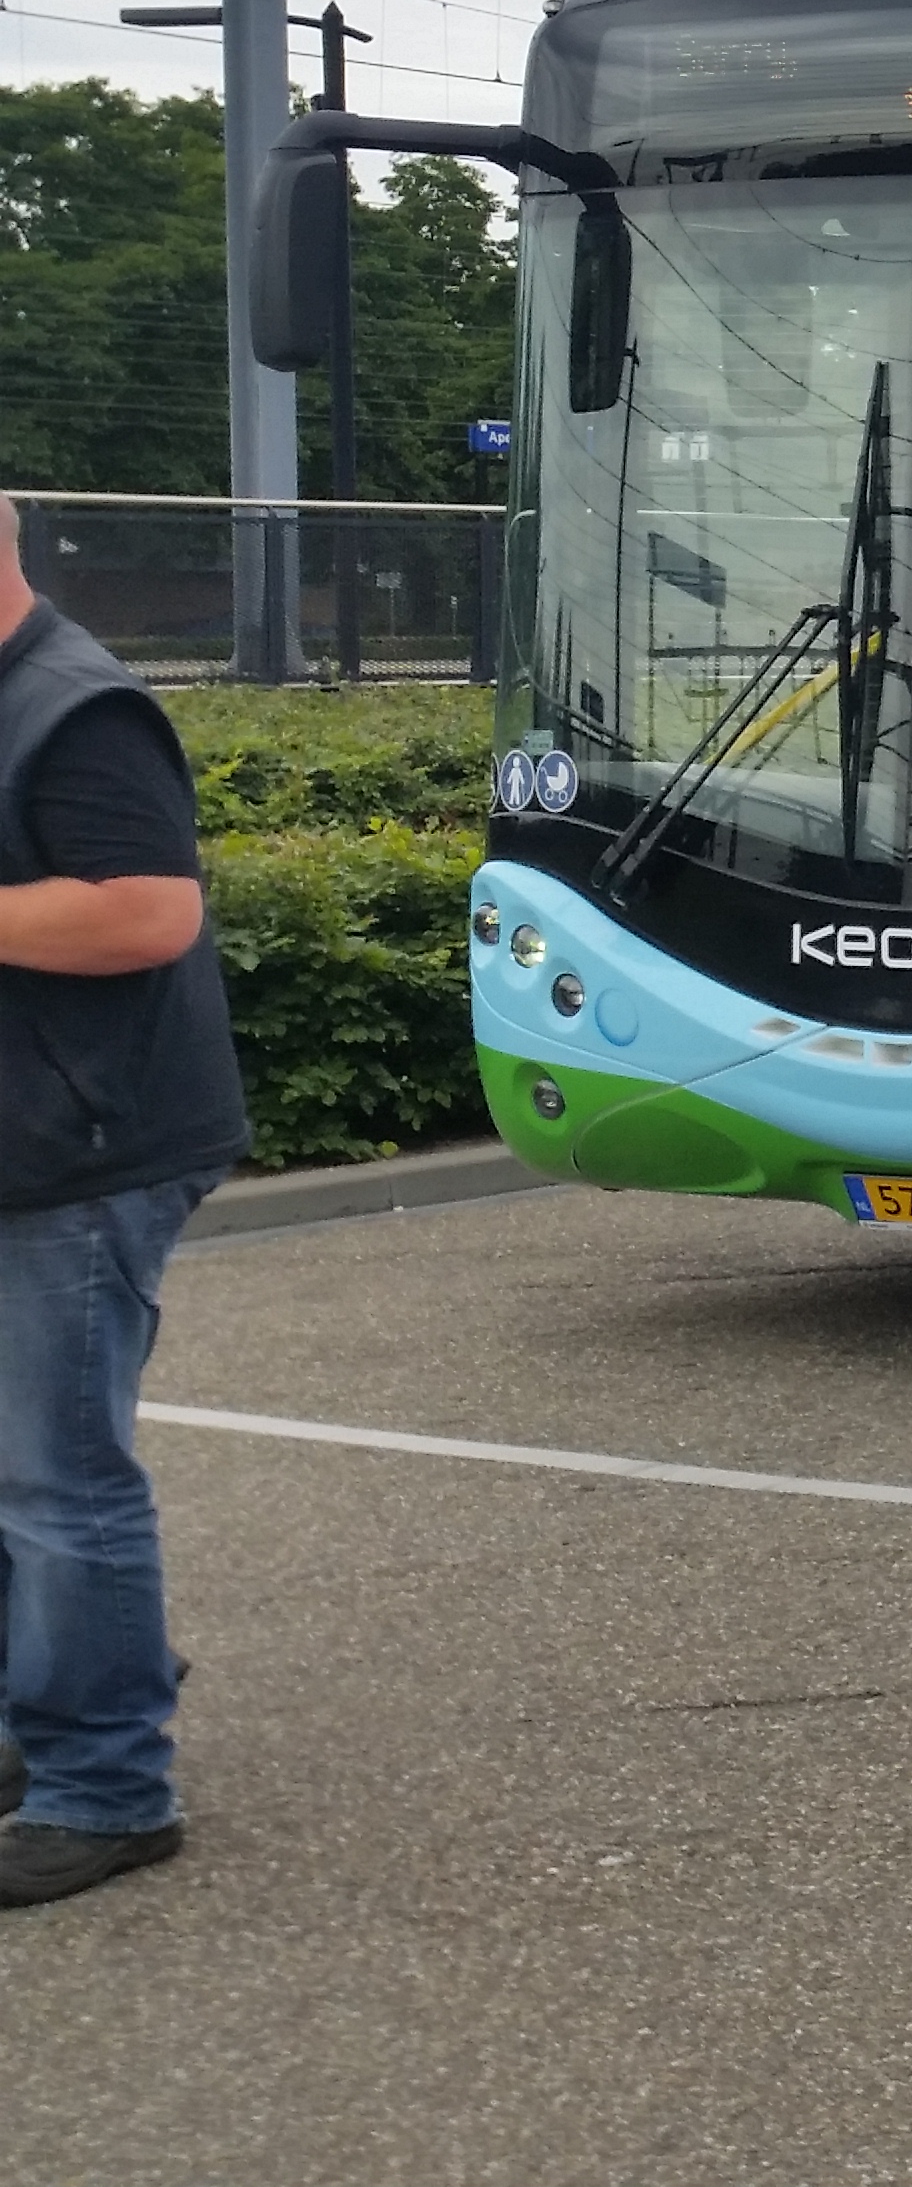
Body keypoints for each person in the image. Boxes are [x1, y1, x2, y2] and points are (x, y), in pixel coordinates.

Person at [0, 495, 248, 1906]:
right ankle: (33, 1721)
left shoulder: (74, 705)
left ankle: (106, 1784)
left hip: (83, 1155)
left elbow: (146, 912)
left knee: (57, 1480)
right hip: (23, 1139)